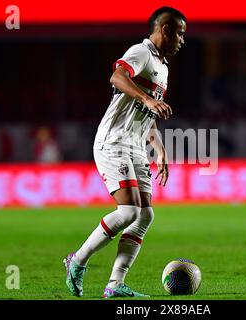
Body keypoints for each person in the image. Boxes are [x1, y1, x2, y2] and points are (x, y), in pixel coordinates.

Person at [63, 7, 187, 298]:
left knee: (145, 215)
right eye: (180, 33)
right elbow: (117, 77)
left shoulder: (163, 68)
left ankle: (115, 284)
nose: (182, 39)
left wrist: (160, 150)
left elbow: (146, 112)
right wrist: (146, 97)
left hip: (136, 146)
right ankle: (77, 260)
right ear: (165, 30)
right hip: (113, 141)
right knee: (129, 210)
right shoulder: (141, 52)